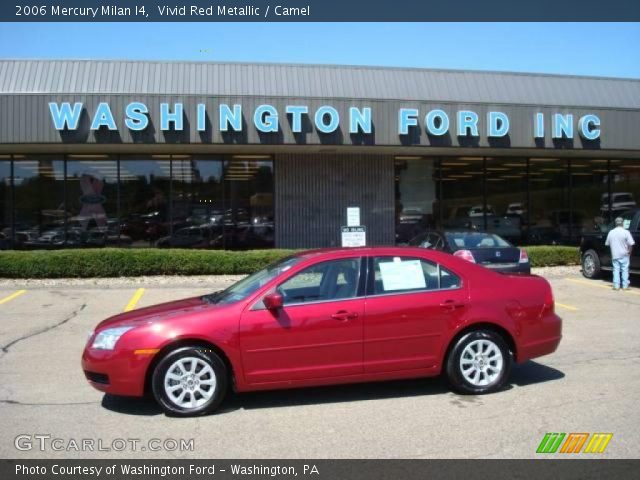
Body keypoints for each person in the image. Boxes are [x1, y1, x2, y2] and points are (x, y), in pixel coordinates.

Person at [605, 217, 635, 291]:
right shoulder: (626, 232)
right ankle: (625, 286)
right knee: (625, 270)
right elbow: (631, 244)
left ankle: (616, 286)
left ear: (615, 223)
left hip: (615, 254)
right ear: (622, 223)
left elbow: (607, 244)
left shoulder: (611, 232)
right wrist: (629, 252)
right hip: (625, 254)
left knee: (616, 270)